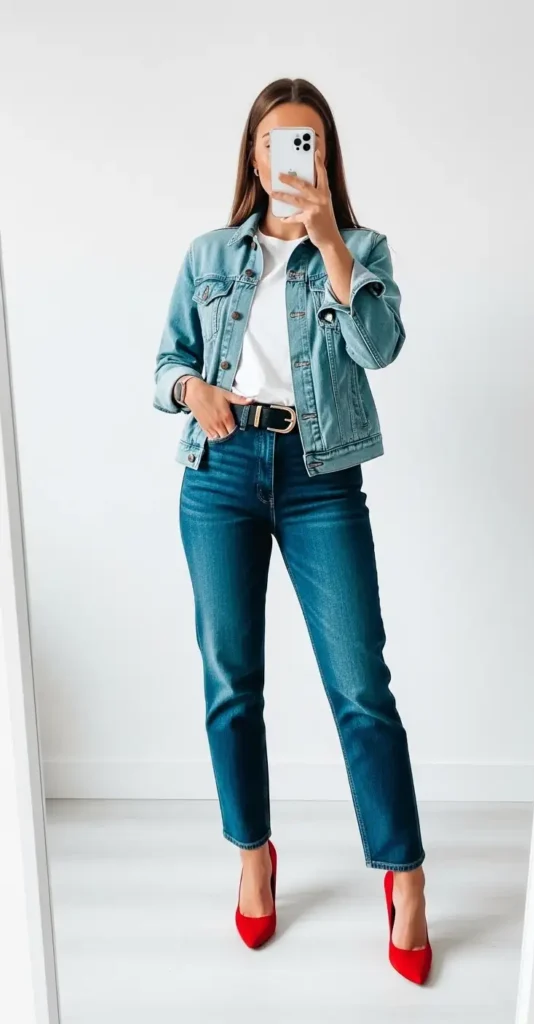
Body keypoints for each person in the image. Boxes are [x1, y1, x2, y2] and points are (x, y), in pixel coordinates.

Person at [154, 77, 432, 984]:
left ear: (325, 155)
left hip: (321, 477)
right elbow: (166, 362)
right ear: (252, 154)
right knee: (231, 680)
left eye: (306, 141)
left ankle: (404, 875)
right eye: (276, 142)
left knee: (360, 684)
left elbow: (381, 348)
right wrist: (194, 392)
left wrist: (326, 242)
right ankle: (252, 856)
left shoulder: (359, 245)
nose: (289, 158)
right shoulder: (207, 254)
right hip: (220, 473)